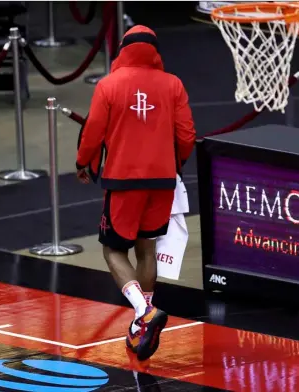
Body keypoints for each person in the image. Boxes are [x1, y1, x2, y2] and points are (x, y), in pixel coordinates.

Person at [76, 25, 196, 361]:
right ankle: (142, 322)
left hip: (123, 182)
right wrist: (176, 165)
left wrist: (83, 161)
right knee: (147, 251)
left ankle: (144, 312)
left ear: (123, 50)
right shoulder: (173, 84)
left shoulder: (109, 85)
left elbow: (93, 131)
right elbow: (186, 135)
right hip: (162, 182)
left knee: (113, 252)